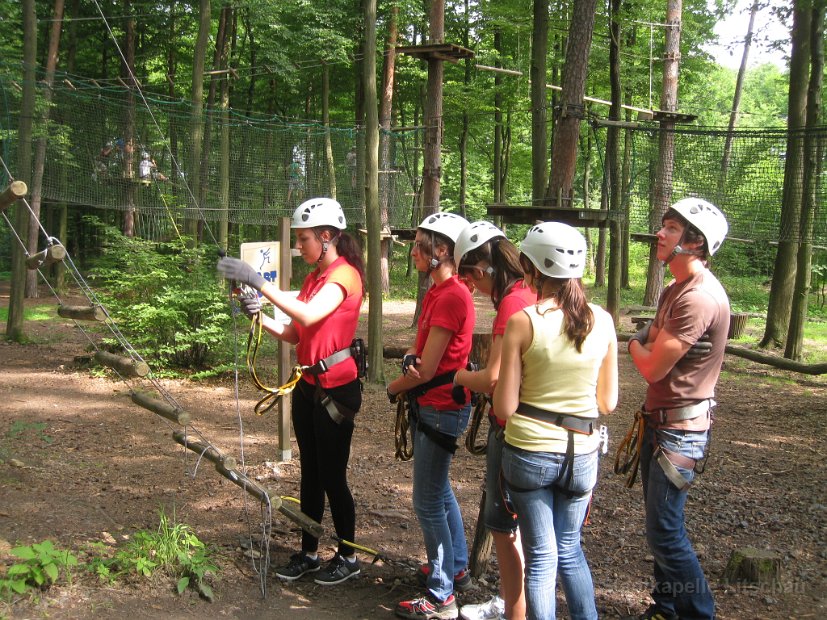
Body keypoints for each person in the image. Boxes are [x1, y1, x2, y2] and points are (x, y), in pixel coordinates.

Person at [217, 197, 366, 586]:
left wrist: (257, 280)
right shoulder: (314, 278)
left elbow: (308, 314)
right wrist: (259, 316)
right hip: (309, 386)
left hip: (337, 390)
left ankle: (348, 557)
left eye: (304, 240)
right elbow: (295, 332)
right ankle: (311, 552)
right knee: (311, 474)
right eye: (299, 240)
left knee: (334, 477)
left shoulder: (344, 276)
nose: (299, 247)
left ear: (327, 236)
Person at [493, 222, 618, 620]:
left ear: (532, 269)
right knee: (570, 549)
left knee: (542, 557)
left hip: (530, 453)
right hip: (582, 454)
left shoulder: (524, 321)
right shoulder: (603, 320)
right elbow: (608, 401)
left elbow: (504, 407)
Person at [624, 198, 730, 620]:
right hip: (663, 424)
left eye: (670, 228)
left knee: (665, 532)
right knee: (661, 531)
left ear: (695, 242)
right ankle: (667, 607)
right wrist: (646, 339)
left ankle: (697, 613)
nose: (660, 234)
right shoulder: (675, 288)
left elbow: (650, 365)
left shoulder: (698, 299)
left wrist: (632, 342)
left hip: (679, 432)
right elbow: (653, 336)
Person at [387, 211, 474, 620]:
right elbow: (422, 354)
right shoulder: (439, 292)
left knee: (426, 502)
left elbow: (427, 368)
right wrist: (409, 357)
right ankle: (454, 568)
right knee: (440, 493)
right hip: (436, 406)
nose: (414, 249)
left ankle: (441, 596)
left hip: (440, 407)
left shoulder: (453, 295)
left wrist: (393, 387)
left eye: (421, 243)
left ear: (442, 250)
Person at [452, 221, 536, 620]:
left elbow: (493, 377)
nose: (472, 288)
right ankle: (514, 605)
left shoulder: (512, 302)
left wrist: (461, 376)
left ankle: (514, 613)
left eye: (470, 278)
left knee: (503, 527)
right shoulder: (535, 289)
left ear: (482, 270)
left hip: (513, 429)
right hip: (543, 428)